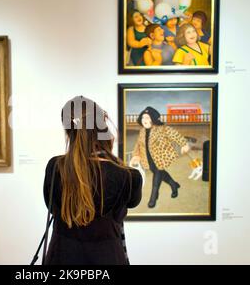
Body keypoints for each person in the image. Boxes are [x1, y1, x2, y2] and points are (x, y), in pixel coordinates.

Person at [43, 96, 142, 265]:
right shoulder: (129, 176)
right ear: (102, 126)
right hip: (108, 257)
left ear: (68, 131)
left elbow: (52, 207)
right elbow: (131, 203)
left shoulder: (55, 167)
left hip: (62, 256)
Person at [129, 107, 190, 208]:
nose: (145, 120)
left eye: (147, 117)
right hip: (148, 158)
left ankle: (153, 197)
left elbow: (175, 135)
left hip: (160, 157)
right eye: (143, 117)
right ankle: (174, 185)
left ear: (153, 118)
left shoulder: (162, 128)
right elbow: (138, 144)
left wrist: (184, 144)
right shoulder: (142, 131)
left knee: (157, 174)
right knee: (160, 173)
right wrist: (136, 155)